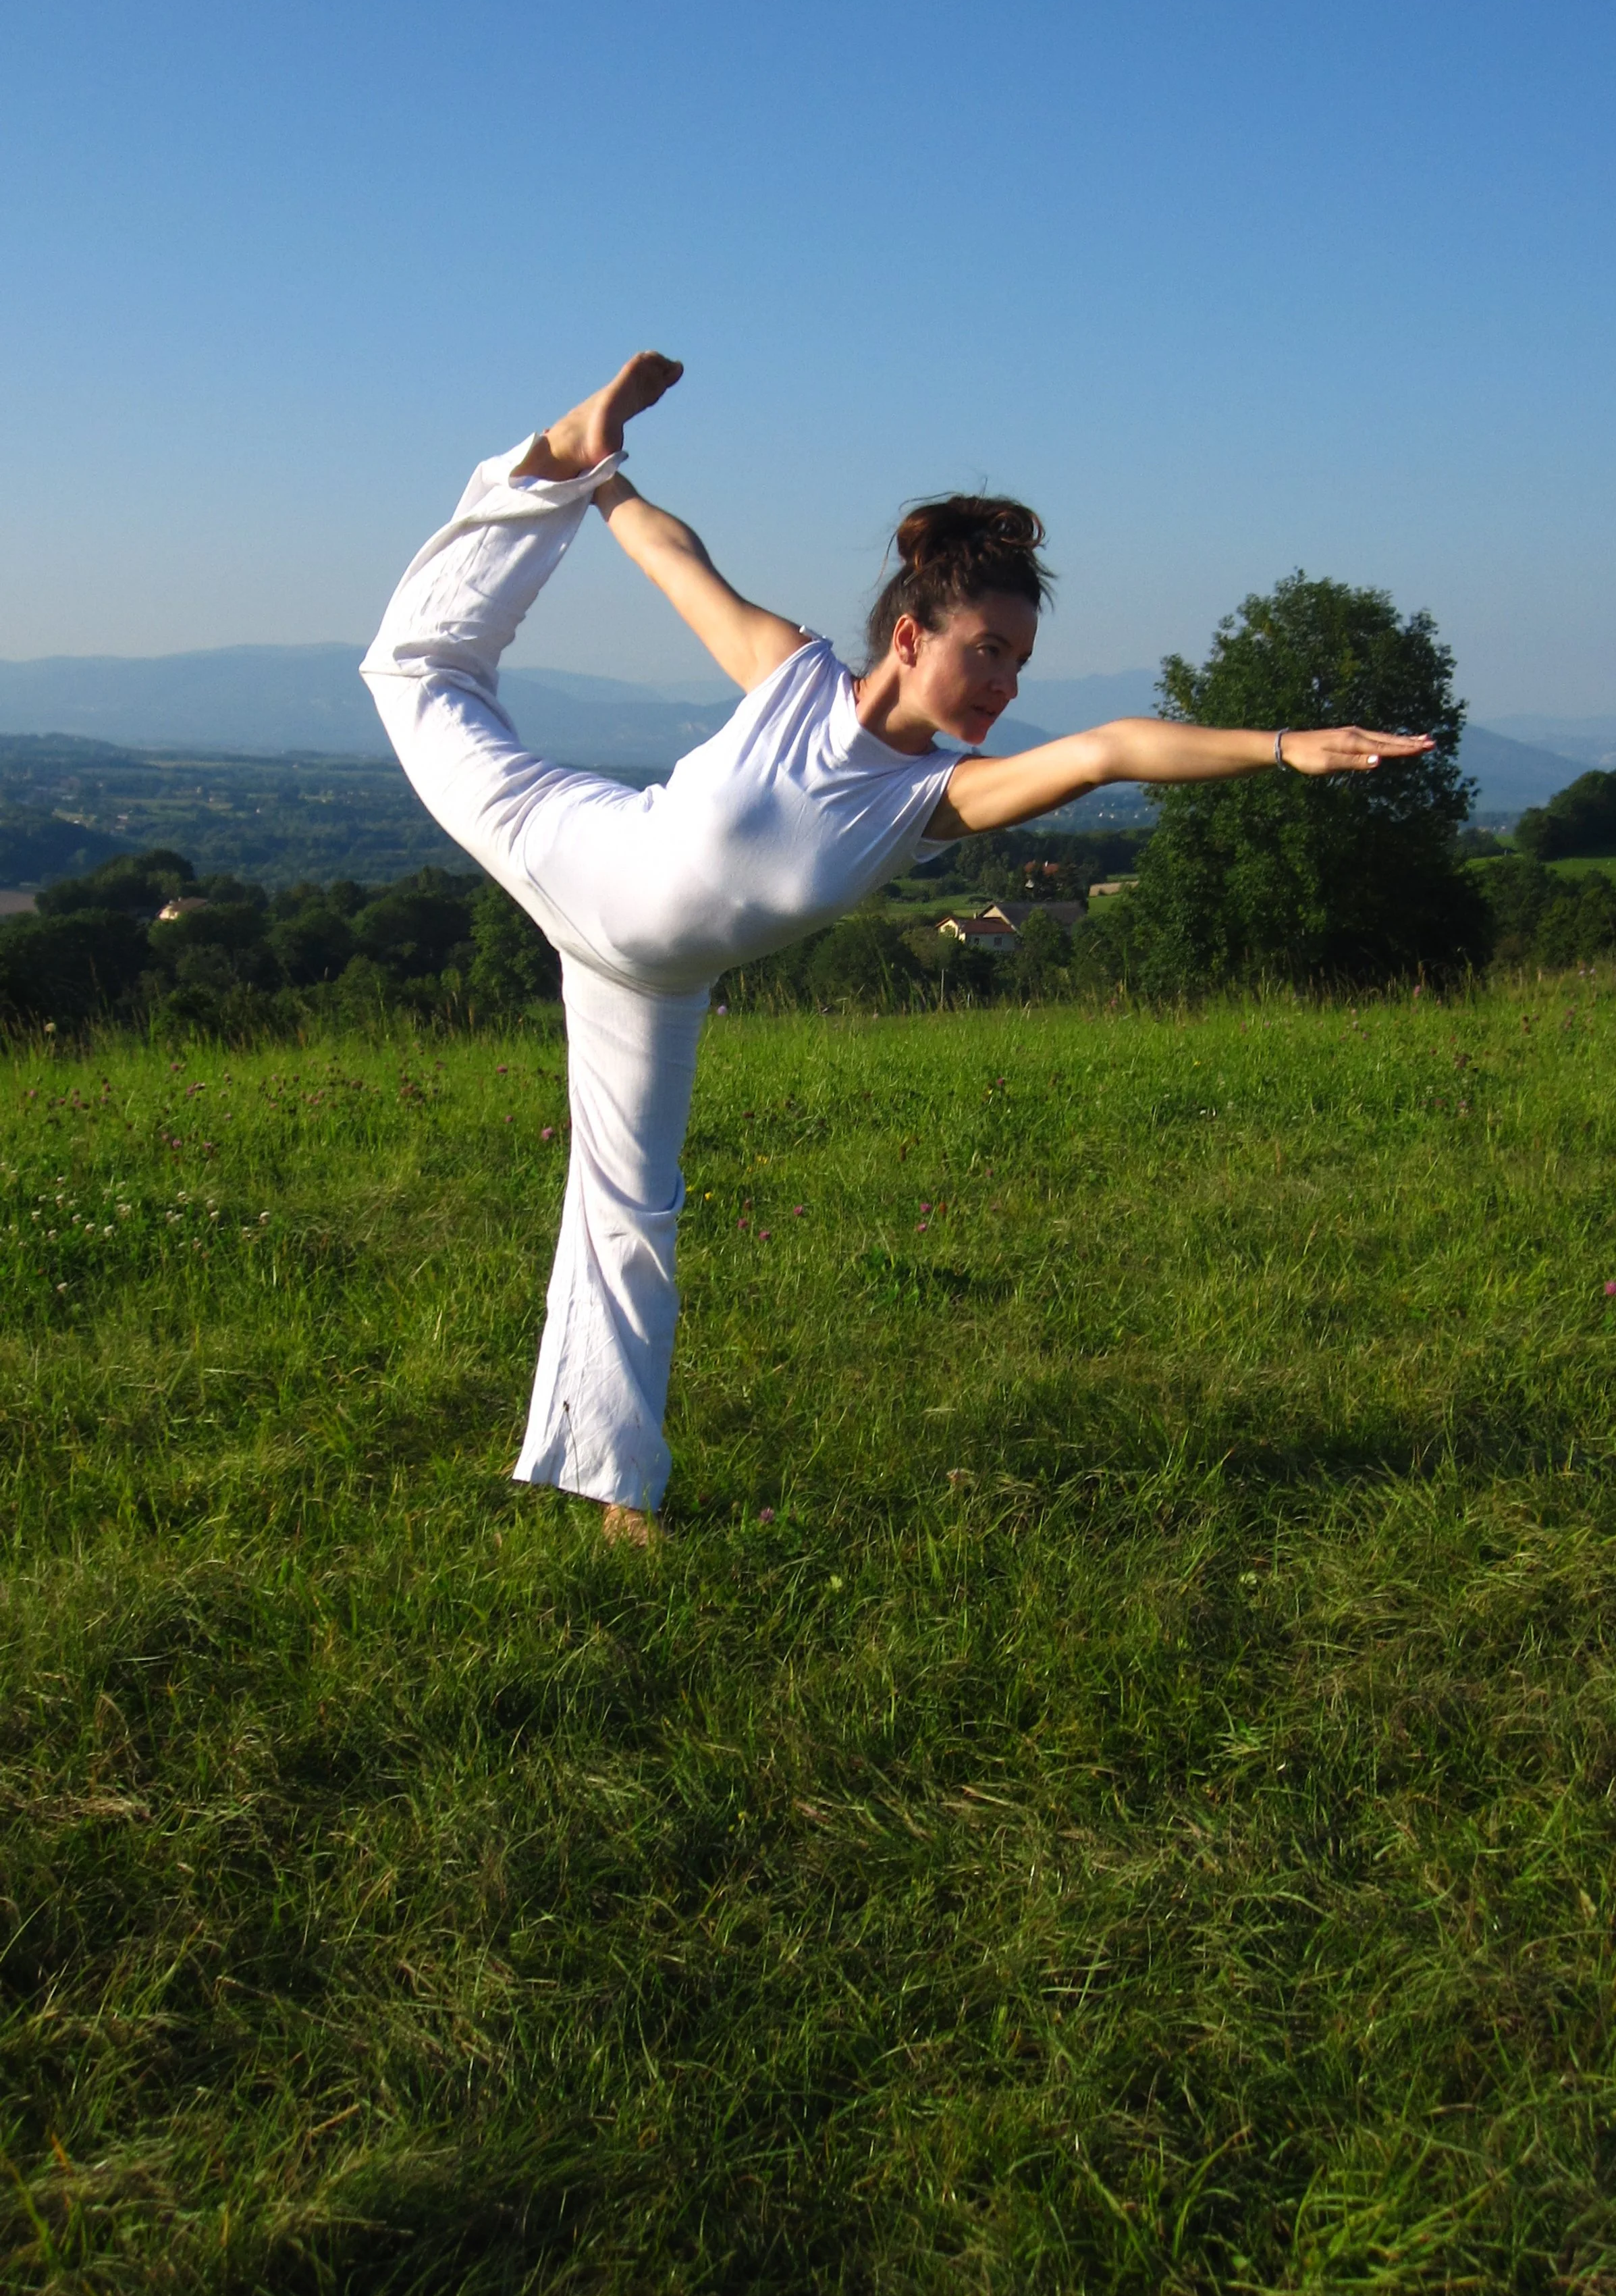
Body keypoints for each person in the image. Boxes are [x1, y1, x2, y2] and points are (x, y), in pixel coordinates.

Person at [363, 352, 1432, 1541]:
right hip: (574, 848)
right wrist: (597, 477)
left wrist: (1281, 747)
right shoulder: (789, 673)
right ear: (914, 635)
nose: (1006, 684)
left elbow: (1112, 749)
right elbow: (679, 562)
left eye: (1021, 663)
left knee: (631, 1207)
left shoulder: (935, 800)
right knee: (417, 669)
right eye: (989, 651)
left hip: (650, 977)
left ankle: (620, 1492)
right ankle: (550, 458)